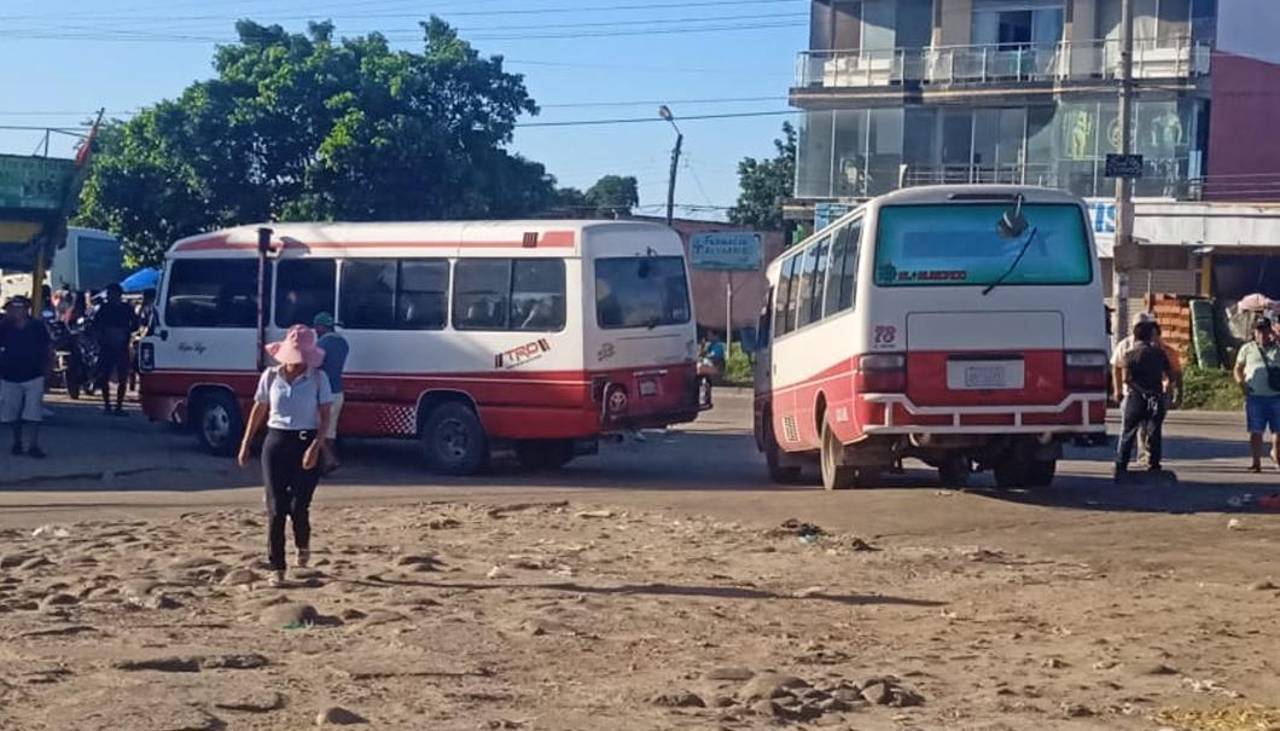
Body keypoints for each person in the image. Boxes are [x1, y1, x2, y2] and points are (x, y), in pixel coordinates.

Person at [237, 325, 333, 586]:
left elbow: (325, 415)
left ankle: (303, 543)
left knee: (298, 506)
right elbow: (260, 409)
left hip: (305, 441)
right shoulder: (270, 376)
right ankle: (276, 566)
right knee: (276, 508)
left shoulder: (318, 378)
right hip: (276, 442)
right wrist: (246, 442)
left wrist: (317, 445)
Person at [1111, 313, 1183, 465]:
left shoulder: (1129, 354)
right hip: (1155, 397)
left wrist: (1139, 390)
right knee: (1154, 431)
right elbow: (1172, 374)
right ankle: (1153, 463)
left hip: (1134, 397)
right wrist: (1167, 389)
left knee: (1128, 432)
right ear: (1151, 334)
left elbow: (1125, 378)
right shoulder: (1159, 353)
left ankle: (1122, 463)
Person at [0, 296, 52, 458]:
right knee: (12, 413)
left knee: (34, 412)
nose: (15, 311)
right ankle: (17, 442)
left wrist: (48, 371)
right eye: (12, 308)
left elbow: (48, 349)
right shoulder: (4, 327)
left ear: (26, 309)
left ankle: (33, 445)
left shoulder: (37, 327)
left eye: (19, 308)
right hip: (9, 375)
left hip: (34, 375)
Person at [1234, 318, 1280, 472]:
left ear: (1270, 331)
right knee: (1256, 431)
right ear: (1254, 332)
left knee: (1278, 432)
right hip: (1255, 397)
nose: (1262, 334)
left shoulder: (1278, 348)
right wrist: (1242, 384)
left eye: (1265, 330)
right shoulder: (1247, 348)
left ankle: (1276, 457)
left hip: (1276, 396)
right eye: (1259, 330)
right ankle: (1256, 462)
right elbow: (1238, 368)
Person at [88, 283, 139, 415]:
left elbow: (135, 324)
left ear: (119, 295)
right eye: (109, 294)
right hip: (106, 345)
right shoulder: (104, 309)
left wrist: (125, 331)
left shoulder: (126, 309)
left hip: (122, 345)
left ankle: (119, 406)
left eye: (113, 294)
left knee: (123, 377)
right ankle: (107, 405)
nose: (111, 296)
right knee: (104, 375)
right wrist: (102, 335)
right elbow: (95, 324)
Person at [312, 312, 348, 473]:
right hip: (338, 391)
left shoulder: (321, 343)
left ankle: (328, 459)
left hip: (324, 392)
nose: (315, 330)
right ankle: (325, 465)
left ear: (321, 327)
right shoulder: (343, 343)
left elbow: (315, 365)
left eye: (316, 327)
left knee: (317, 428)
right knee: (330, 430)